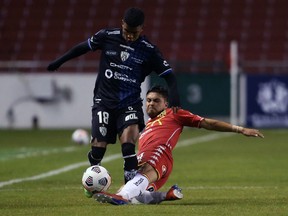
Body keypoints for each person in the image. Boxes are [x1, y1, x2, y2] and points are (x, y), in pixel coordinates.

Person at [47, 7, 180, 183]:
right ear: (122, 23)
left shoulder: (148, 50)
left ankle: (130, 187)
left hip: (129, 103)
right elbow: (82, 48)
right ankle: (93, 181)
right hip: (104, 102)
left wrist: (175, 100)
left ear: (141, 28)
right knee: (98, 150)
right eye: (127, 31)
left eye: (134, 32)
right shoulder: (107, 36)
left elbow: (169, 76)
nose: (130, 36)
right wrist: (59, 61)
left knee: (128, 145)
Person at [92, 85, 264, 205]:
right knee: (137, 195)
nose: (151, 103)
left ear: (166, 103)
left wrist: (240, 129)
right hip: (151, 161)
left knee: (130, 189)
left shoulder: (173, 113)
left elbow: (208, 123)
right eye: (148, 100)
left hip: (159, 156)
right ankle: (166, 195)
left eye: (156, 100)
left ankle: (121, 196)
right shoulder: (147, 125)